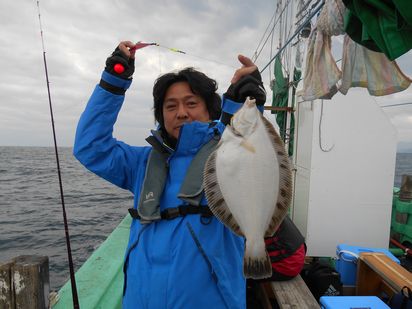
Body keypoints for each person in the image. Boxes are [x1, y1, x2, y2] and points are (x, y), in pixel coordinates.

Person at [73, 41, 266, 308]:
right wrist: (113, 83)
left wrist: (247, 104)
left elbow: (248, 148)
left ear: (211, 110)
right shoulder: (141, 163)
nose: (181, 113)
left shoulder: (227, 156)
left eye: (191, 103)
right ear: (161, 115)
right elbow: (90, 147)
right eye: (171, 106)